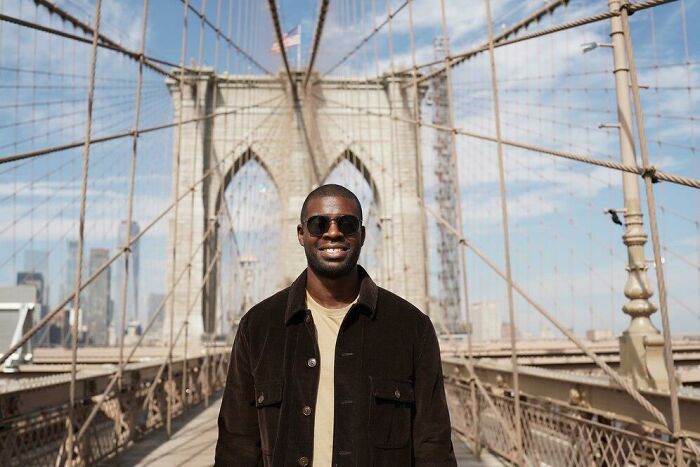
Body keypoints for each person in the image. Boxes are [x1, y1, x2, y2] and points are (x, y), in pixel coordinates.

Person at [215, 184, 456, 467]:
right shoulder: (257, 328)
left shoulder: (412, 328)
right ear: (301, 234)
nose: (333, 232)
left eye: (347, 223)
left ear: (362, 235)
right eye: (318, 224)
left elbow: (433, 448)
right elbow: (237, 446)